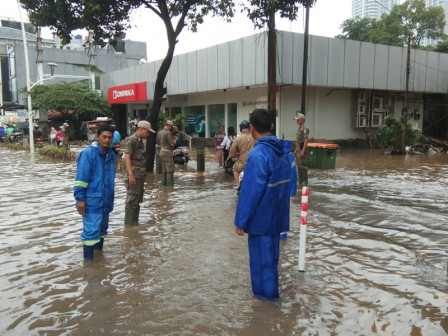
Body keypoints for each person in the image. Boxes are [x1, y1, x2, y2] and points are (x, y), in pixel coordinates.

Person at [234, 108, 291, 299]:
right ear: (272, 126)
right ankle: (270, 308)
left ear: (251, 128)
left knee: (261, 266)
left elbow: (250, 192)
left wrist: (240, 220)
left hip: (261, 221)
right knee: (271, 262)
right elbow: (288, 187)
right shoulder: (283, 151)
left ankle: (266, 308)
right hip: (277, 219)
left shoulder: (258, 155)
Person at [73, 124, 117, 260]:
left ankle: (99, 259)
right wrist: (80, 199)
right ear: (97, 137)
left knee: (102, 230)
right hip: (92, 200)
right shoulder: (88, 154)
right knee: (91, 232)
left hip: (106, 200)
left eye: (110, 138)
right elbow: (81, 179)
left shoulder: (111, 155)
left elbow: (110, 179)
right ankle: (89, 265)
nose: (107, 140)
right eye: (104, 137)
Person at [124, 120, 155, 226]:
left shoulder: (139, 141)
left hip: (140, 174)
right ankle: (129, 227)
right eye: (147, 132)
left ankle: (134, 225)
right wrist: (131, 175)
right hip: (134, 174)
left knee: (137, 200)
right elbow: (127, 157)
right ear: (142, 129)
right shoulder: (132, 140)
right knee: (132, 200)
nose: (148, 134)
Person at [229, 120, 254, 190]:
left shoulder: (238, 138)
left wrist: (232, 155)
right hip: (254, 163)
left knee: (234, 168)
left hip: (242, 164)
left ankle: (238, 185)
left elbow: (232, 152)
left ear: (241, 128)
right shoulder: (254, 136)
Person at [156, 120, 176, 186]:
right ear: (169, 126)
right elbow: (172, 144)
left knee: (164, 170)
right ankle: (170, 188)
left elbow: (158, 142)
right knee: (170, 170)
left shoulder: (159, 132)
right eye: (171, 127)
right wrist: (174, 140)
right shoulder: (167, 133)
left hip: (161, 151)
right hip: (167, 152)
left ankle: (163, 187)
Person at [294, 113, 309, 186]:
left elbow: (306, 140)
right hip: (298, 149)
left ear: (302, 120)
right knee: (299, 166)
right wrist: (295, 151)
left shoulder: (305, 128)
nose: (297, 121)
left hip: (302, 149)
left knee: (303, 166)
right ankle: (300, 182)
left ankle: (305, 183)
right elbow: (298, 141)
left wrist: (303, 151)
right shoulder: (300, 128)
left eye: (298, 120)